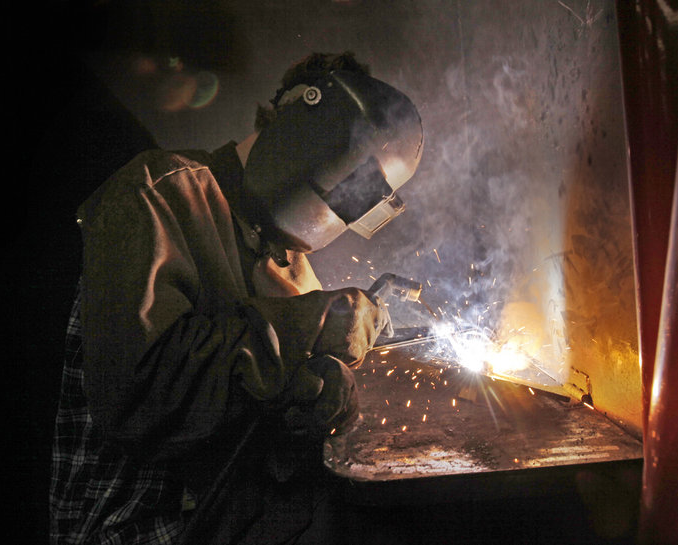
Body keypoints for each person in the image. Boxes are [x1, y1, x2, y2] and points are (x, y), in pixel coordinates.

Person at [49, 51, 424, 545]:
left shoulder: (293, 266)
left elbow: (256, 406)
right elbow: (138, 396)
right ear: (303, 124)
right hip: (132, 529)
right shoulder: (160, 192)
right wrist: (305, 327)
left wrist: (321, 399)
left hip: (226, 520)